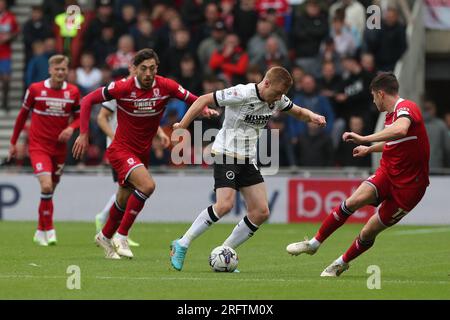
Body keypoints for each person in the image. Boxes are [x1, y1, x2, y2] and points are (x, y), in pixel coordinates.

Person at [169, 66, 326, 271]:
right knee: (224, 205)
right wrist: (183, 125)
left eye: (282, 95)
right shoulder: (241, 93)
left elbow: (297, 111)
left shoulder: (277, 98)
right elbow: (203, 100)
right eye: (277, 92)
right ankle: (182, 243)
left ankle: (224, 252)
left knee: (261, 211)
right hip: (225, 152)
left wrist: (313, 116)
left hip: (247, 158)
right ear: (266, 83)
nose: (279, 98)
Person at [72, 48, 218, 259]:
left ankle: (104, 236)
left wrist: (203, 109)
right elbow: (86, 101)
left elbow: (191, 97)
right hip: (120, 149)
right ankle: (121, 235)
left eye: (152, 68)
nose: (148, 73)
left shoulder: (165, 85)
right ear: (135, 69)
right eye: (143, 69)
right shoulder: (122, 87)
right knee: (148, 185)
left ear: (156, 68)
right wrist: (83, 134)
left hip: (142, 151)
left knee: (123, 198)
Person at [286, 72, 430, 277]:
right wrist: (369, 149)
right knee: (352, 201)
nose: (373, 100)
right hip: (388, 173)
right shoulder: (390, 116)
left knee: (369, 230)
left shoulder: (406, 107)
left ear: (380, 94)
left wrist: (364, 139)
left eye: (373, 96)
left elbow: (400, 130)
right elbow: (395, 141)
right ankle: (314, 243)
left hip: (410, 188)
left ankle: (341, 262)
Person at [8, 55, 81, 246]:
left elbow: (80, 118)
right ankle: (50, 229)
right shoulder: (35, 89)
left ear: (67, 71)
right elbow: (22, 116)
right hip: (38, 146)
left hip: (59, 150)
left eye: (63, 69)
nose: (60, 72)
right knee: (47, 186)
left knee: (49, 190)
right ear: (50, 70)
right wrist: (13, 142)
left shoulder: (73, 92)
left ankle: (40, 230)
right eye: (57, 69)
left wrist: (70, 128)